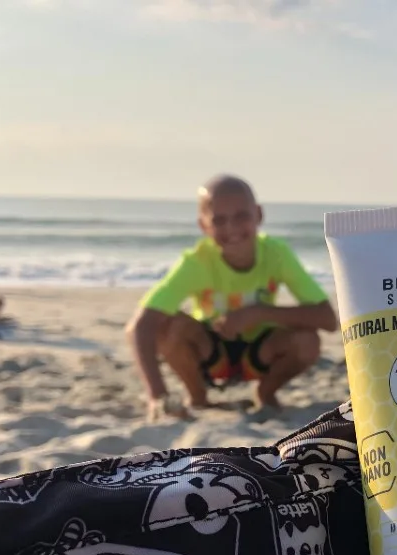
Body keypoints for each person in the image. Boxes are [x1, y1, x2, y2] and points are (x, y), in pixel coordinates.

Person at [126, 175, 338, 421]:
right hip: (211, 353)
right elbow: (139, 327)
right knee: (168, 327)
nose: (232, 228)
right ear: (204, 226)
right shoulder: (196, 263)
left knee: (308, 341)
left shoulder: (277, 254)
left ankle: (266, 393)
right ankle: (197, 396)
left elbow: (327, 319)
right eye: (219, 220)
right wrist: (158, 395)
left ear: (258, 215)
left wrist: (257, 313)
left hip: (259, 353)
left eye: (241, 216)